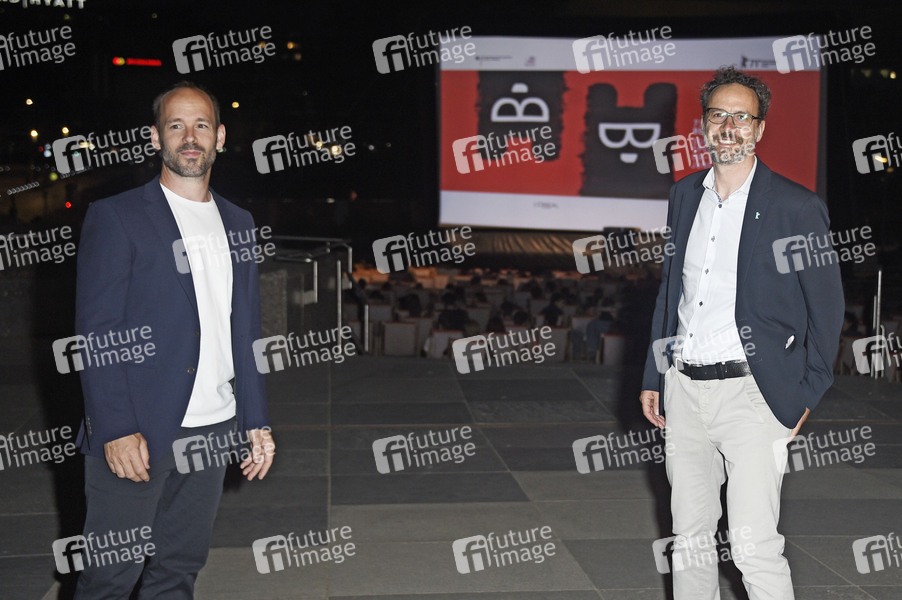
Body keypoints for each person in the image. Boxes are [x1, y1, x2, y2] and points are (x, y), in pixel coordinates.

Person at [639, 67, 843, 600]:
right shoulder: (685, 195)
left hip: (754, 396)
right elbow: (671, 293)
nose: (729, 127)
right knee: (689, 541)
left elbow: (827, 311)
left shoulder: (796, 207)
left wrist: (805, 395)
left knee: (754, 547)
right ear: (703, 125)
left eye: (742, 117)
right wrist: (654, 376)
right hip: (684, 391)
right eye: (718, 115)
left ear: (760, 128)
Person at [73, 81, 274, 598]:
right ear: (155, 137)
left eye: (201, 125)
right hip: (136, 432)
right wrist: (116, 428)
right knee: (109, 579)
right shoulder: (116, 216)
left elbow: (245, 328)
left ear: (219, 137)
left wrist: (255, 420)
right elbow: (96, 333)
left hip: (213, 430)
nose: (190, 137)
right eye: (176, 125)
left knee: (178, 572)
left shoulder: (240, 223)